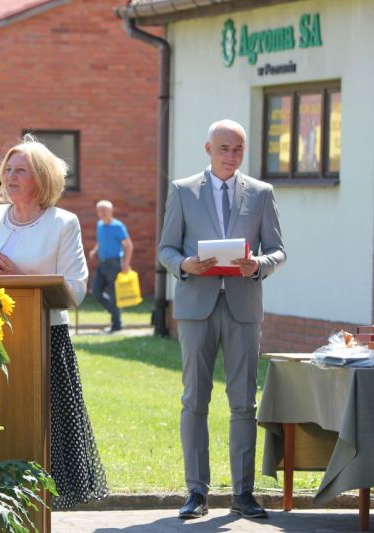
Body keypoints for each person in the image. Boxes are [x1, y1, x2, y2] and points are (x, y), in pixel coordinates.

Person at [0, 134, 108, 509]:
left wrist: (18, 276)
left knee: (41, 438)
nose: (10, 176)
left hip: (42, 342)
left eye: (20, 170)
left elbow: (74, 290)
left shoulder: (63, 223)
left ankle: (37, 510)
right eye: (7, 169)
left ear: (41, 178)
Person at [158, 119, 286, 520]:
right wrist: (186, 265)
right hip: (197, 307)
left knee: (244, 403)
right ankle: (196, 493)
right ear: (208, 148)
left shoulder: (262, 194)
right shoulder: (182, 191)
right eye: (224, 148)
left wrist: (258, 265)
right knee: (194, 399)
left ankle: (243, 494)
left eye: (239, 149)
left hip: (243, 308)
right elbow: (166, 248)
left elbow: (279, 251)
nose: (231, 156)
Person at [88, 200, 133, 333]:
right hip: (102, 263)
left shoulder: (118, 226)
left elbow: (128, 246)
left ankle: (116, 325)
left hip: (115, 264)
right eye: (100, 210)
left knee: (114, 296)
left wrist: (126, 264)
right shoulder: (99, 225)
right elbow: (100, 241)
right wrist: (95, 250)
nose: (103, 213)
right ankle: (115, 313)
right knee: (96, 292)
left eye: (105, 210)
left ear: (111, 211)